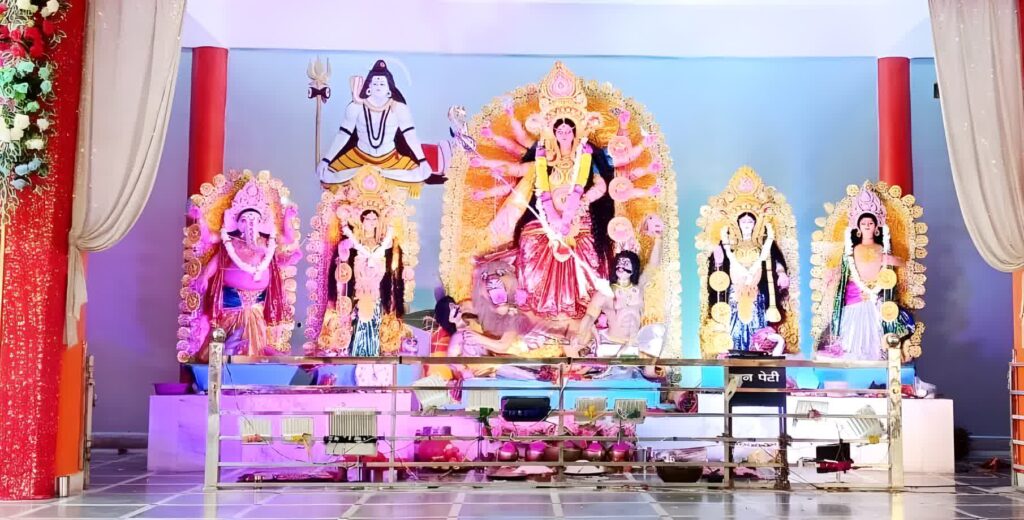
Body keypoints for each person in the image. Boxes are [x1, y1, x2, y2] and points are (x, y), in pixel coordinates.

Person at [317, 60, 432, 187]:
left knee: (420, 174)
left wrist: (422, 160)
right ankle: (367, 174)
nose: (378, 86)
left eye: (382, 84)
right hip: (358, 158)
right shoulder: (356, 107)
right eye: (375, 83)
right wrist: (326, 160)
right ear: (369, 87)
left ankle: (378, 174)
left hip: (391, 160)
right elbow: (343, 135)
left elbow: (410, 135)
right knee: (326, 175)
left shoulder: (399, 108)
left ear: (389, 89)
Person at [708, 212, 790, 351]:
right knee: (735, 321)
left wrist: (781, 273)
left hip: (755, 290)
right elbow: (723, 260)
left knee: (756, 320)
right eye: (743, 222)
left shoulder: (762, 244)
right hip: (736, 291)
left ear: (755, 225)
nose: (746, 225)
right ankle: (735, 350)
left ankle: (756, 348)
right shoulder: (730, 243)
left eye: (750, 222)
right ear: (738, 224)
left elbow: (773, 259)